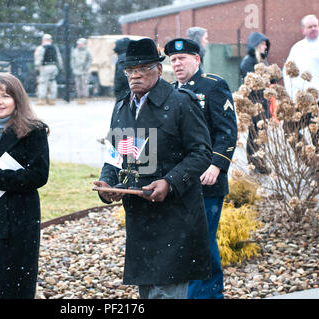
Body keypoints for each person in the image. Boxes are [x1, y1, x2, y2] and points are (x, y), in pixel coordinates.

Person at [94, 38, 213, 299]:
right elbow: (114, 155)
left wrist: (169, 182)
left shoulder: (181, 102)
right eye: (130, 71)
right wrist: (107, 183)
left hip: (175, 216)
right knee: (147, 292)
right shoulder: (122, 107)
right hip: (139, 217)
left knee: (167, 292)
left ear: (159, 70)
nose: (135, 76)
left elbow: (202, 152)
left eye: (143, 69)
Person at [164, 38, 238, 299]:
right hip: (181, 182)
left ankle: (207, 295)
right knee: (188, 243)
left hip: (208, 180)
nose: (177, 64)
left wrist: (217, 165)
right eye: (173, 60)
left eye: (182, 58)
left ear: (197, 59)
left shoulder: (213, 86)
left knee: (203, 243)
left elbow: (227, 131)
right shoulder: (171, 91)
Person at [0, 73, 50, 298]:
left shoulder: (34, 130)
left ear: (17, 100)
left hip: (18, 218)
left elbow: (39, 175)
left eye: (5, 96)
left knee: (11, 284)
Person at [283, 14, 319, 177]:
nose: (314, 29)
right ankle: (311, 162)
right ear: (303, 30)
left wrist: (316, 89)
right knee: (289, 129)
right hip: (299, 100)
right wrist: (293, 92)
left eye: (316, 25)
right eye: (310, 26)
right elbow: (287, 70)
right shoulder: (297, 48)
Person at [239, 32, 271, 173]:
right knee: (254, 135)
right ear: (255, 45)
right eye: (262, 43)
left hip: (263, 104)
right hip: (254, 105)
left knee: (262, 135)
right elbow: (251, 84)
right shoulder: (248, 62)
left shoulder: (262, 61)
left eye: (265, 44)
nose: (264, 46)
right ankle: (254, 164)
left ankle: (260, 162)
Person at [34, 34, 63, 105]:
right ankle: (52, 99)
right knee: (53, 82)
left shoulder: (43, 48)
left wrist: (37, 67)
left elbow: (40, 58)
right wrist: (60, 67)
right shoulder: (55, 47)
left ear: (43, 40)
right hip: (54, 67)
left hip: (45, 67)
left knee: (43, 83)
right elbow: (59, 58)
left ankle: (41, 99)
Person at [71, 38, 93, 104]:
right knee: (78, 85)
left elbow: (90, 60)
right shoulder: (75, 51)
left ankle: (84, 97)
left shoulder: (87, 51)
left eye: (80, 43)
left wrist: (86, 67)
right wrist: (73, 67)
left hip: (84, 71)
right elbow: (72, 60)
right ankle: (79, 97)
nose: (79, 45)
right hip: (77, 70)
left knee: (84, 84)